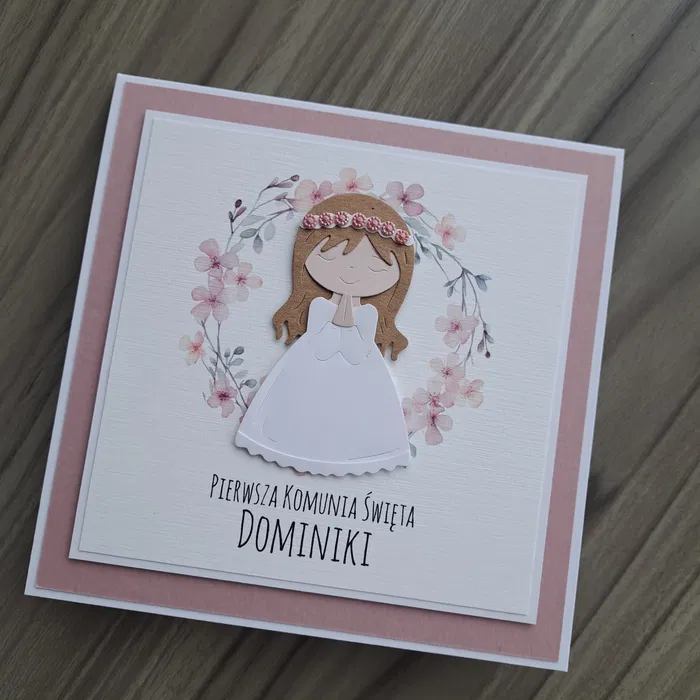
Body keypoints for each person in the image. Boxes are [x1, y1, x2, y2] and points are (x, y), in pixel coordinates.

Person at [235, 193, 414, 476]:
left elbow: (356, 352)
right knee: (296, 409)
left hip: (359, 377)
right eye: (330, 257)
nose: (352, 271)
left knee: (357, 415)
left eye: (374, 267)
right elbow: (321, 346)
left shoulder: (369, 314)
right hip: (309, 367)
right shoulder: (318, 307)